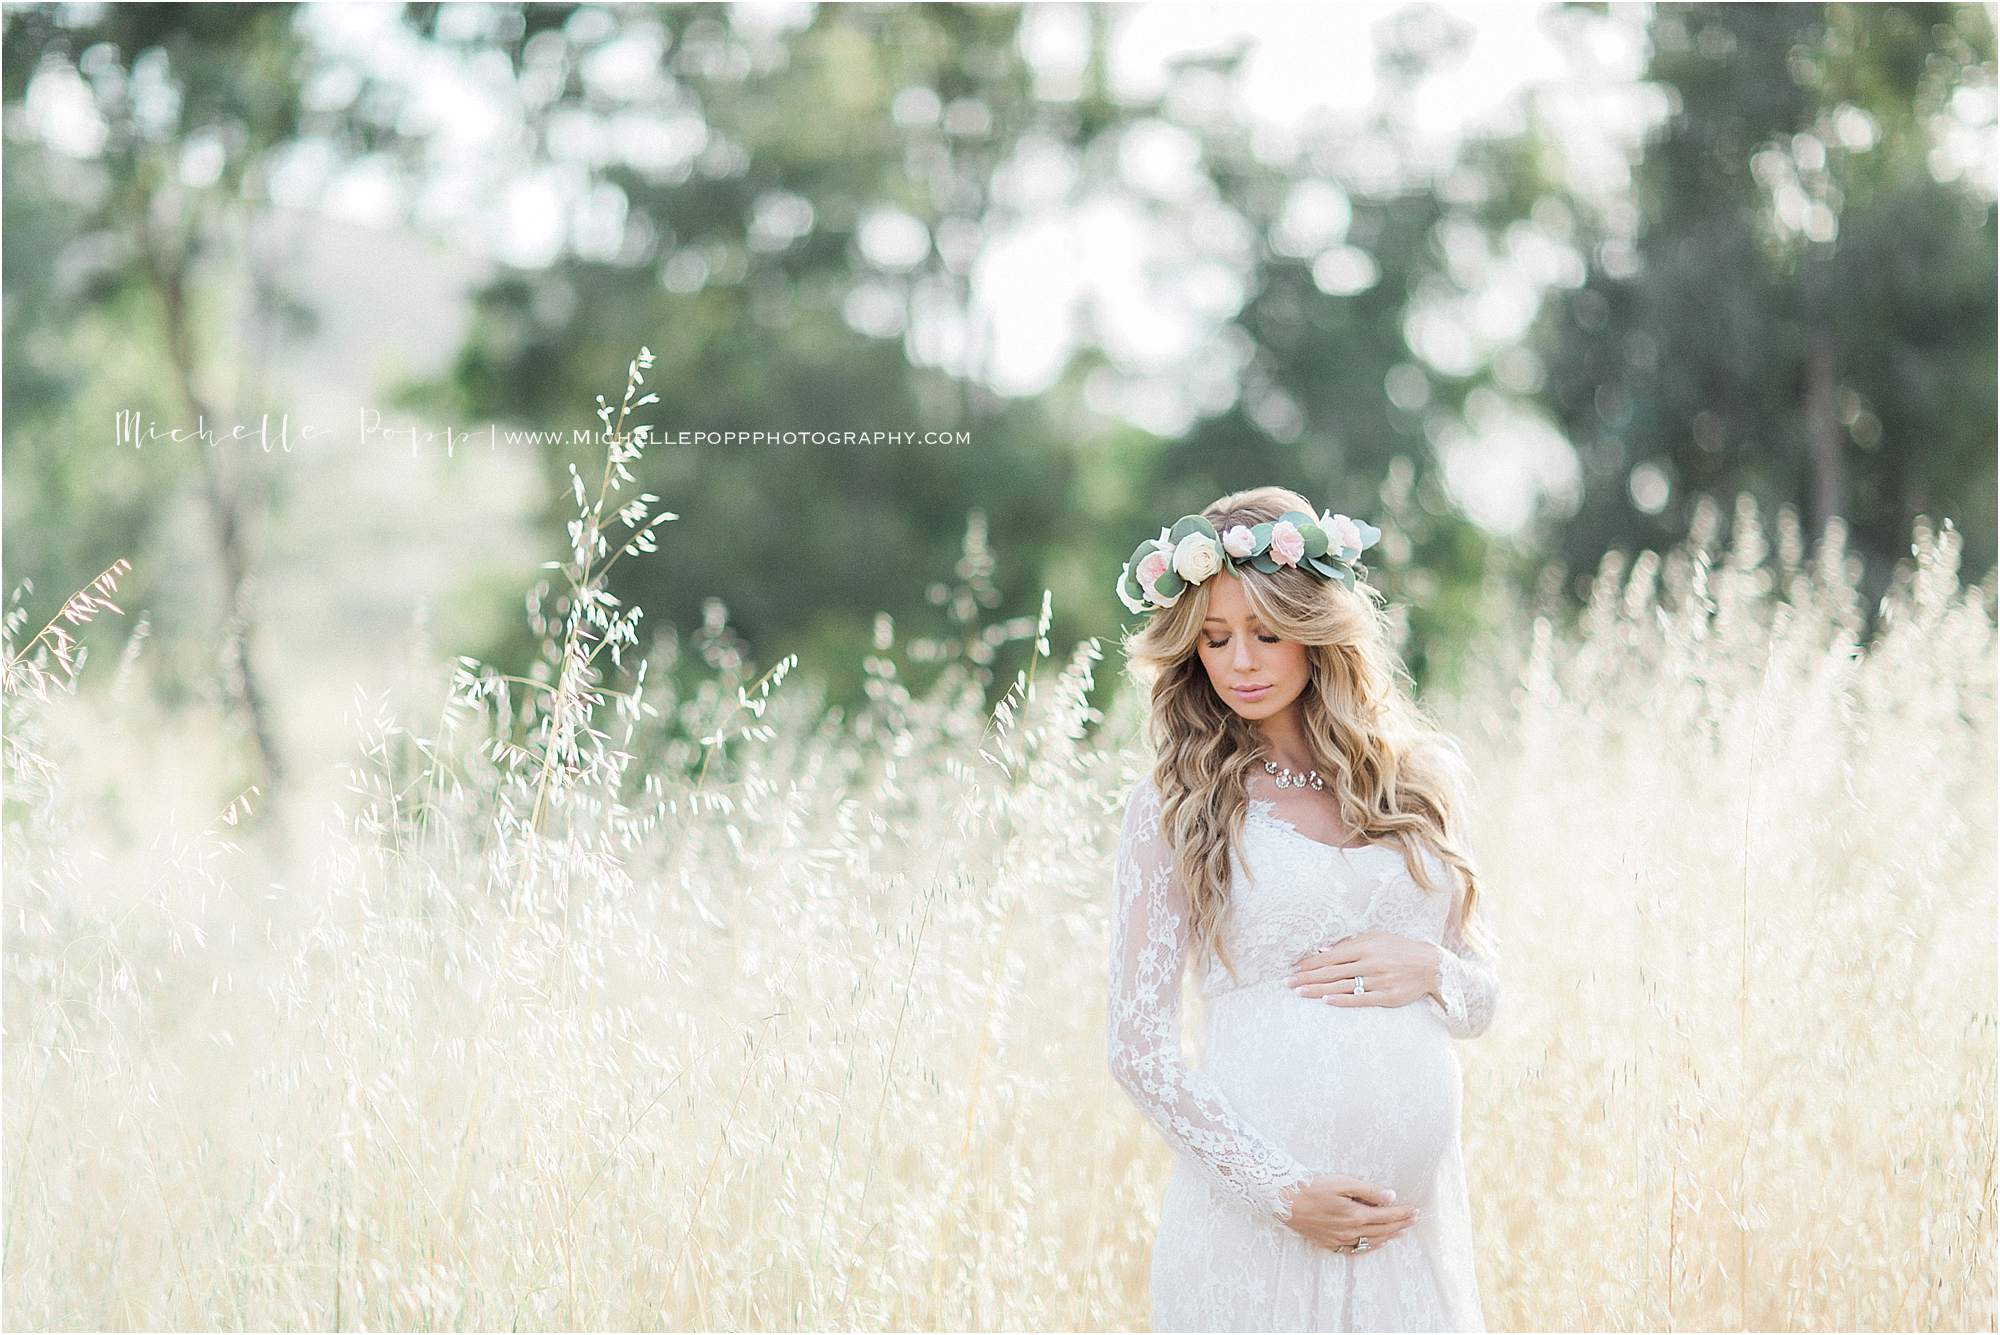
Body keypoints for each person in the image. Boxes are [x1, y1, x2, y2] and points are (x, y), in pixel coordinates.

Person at [1106, 485, 1501, 1332]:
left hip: (1406, 1232)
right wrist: (1283, 1194)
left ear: (1317, 631)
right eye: (1215, 638)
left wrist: (1431, 967)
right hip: (1257, 1235)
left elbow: (1483, 998)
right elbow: (1138, 1048)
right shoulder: (1176, 806)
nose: (1239, 662)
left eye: (1266, 633)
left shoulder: (1419, 782)